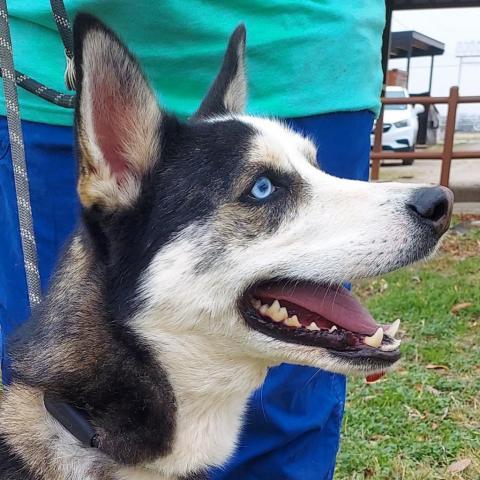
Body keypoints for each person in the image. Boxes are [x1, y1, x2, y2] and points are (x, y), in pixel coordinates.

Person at [0, 2, 385, 478]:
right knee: (69, 384)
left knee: (286, 414)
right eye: (263, 190)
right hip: (48, 59)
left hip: (301, 44)